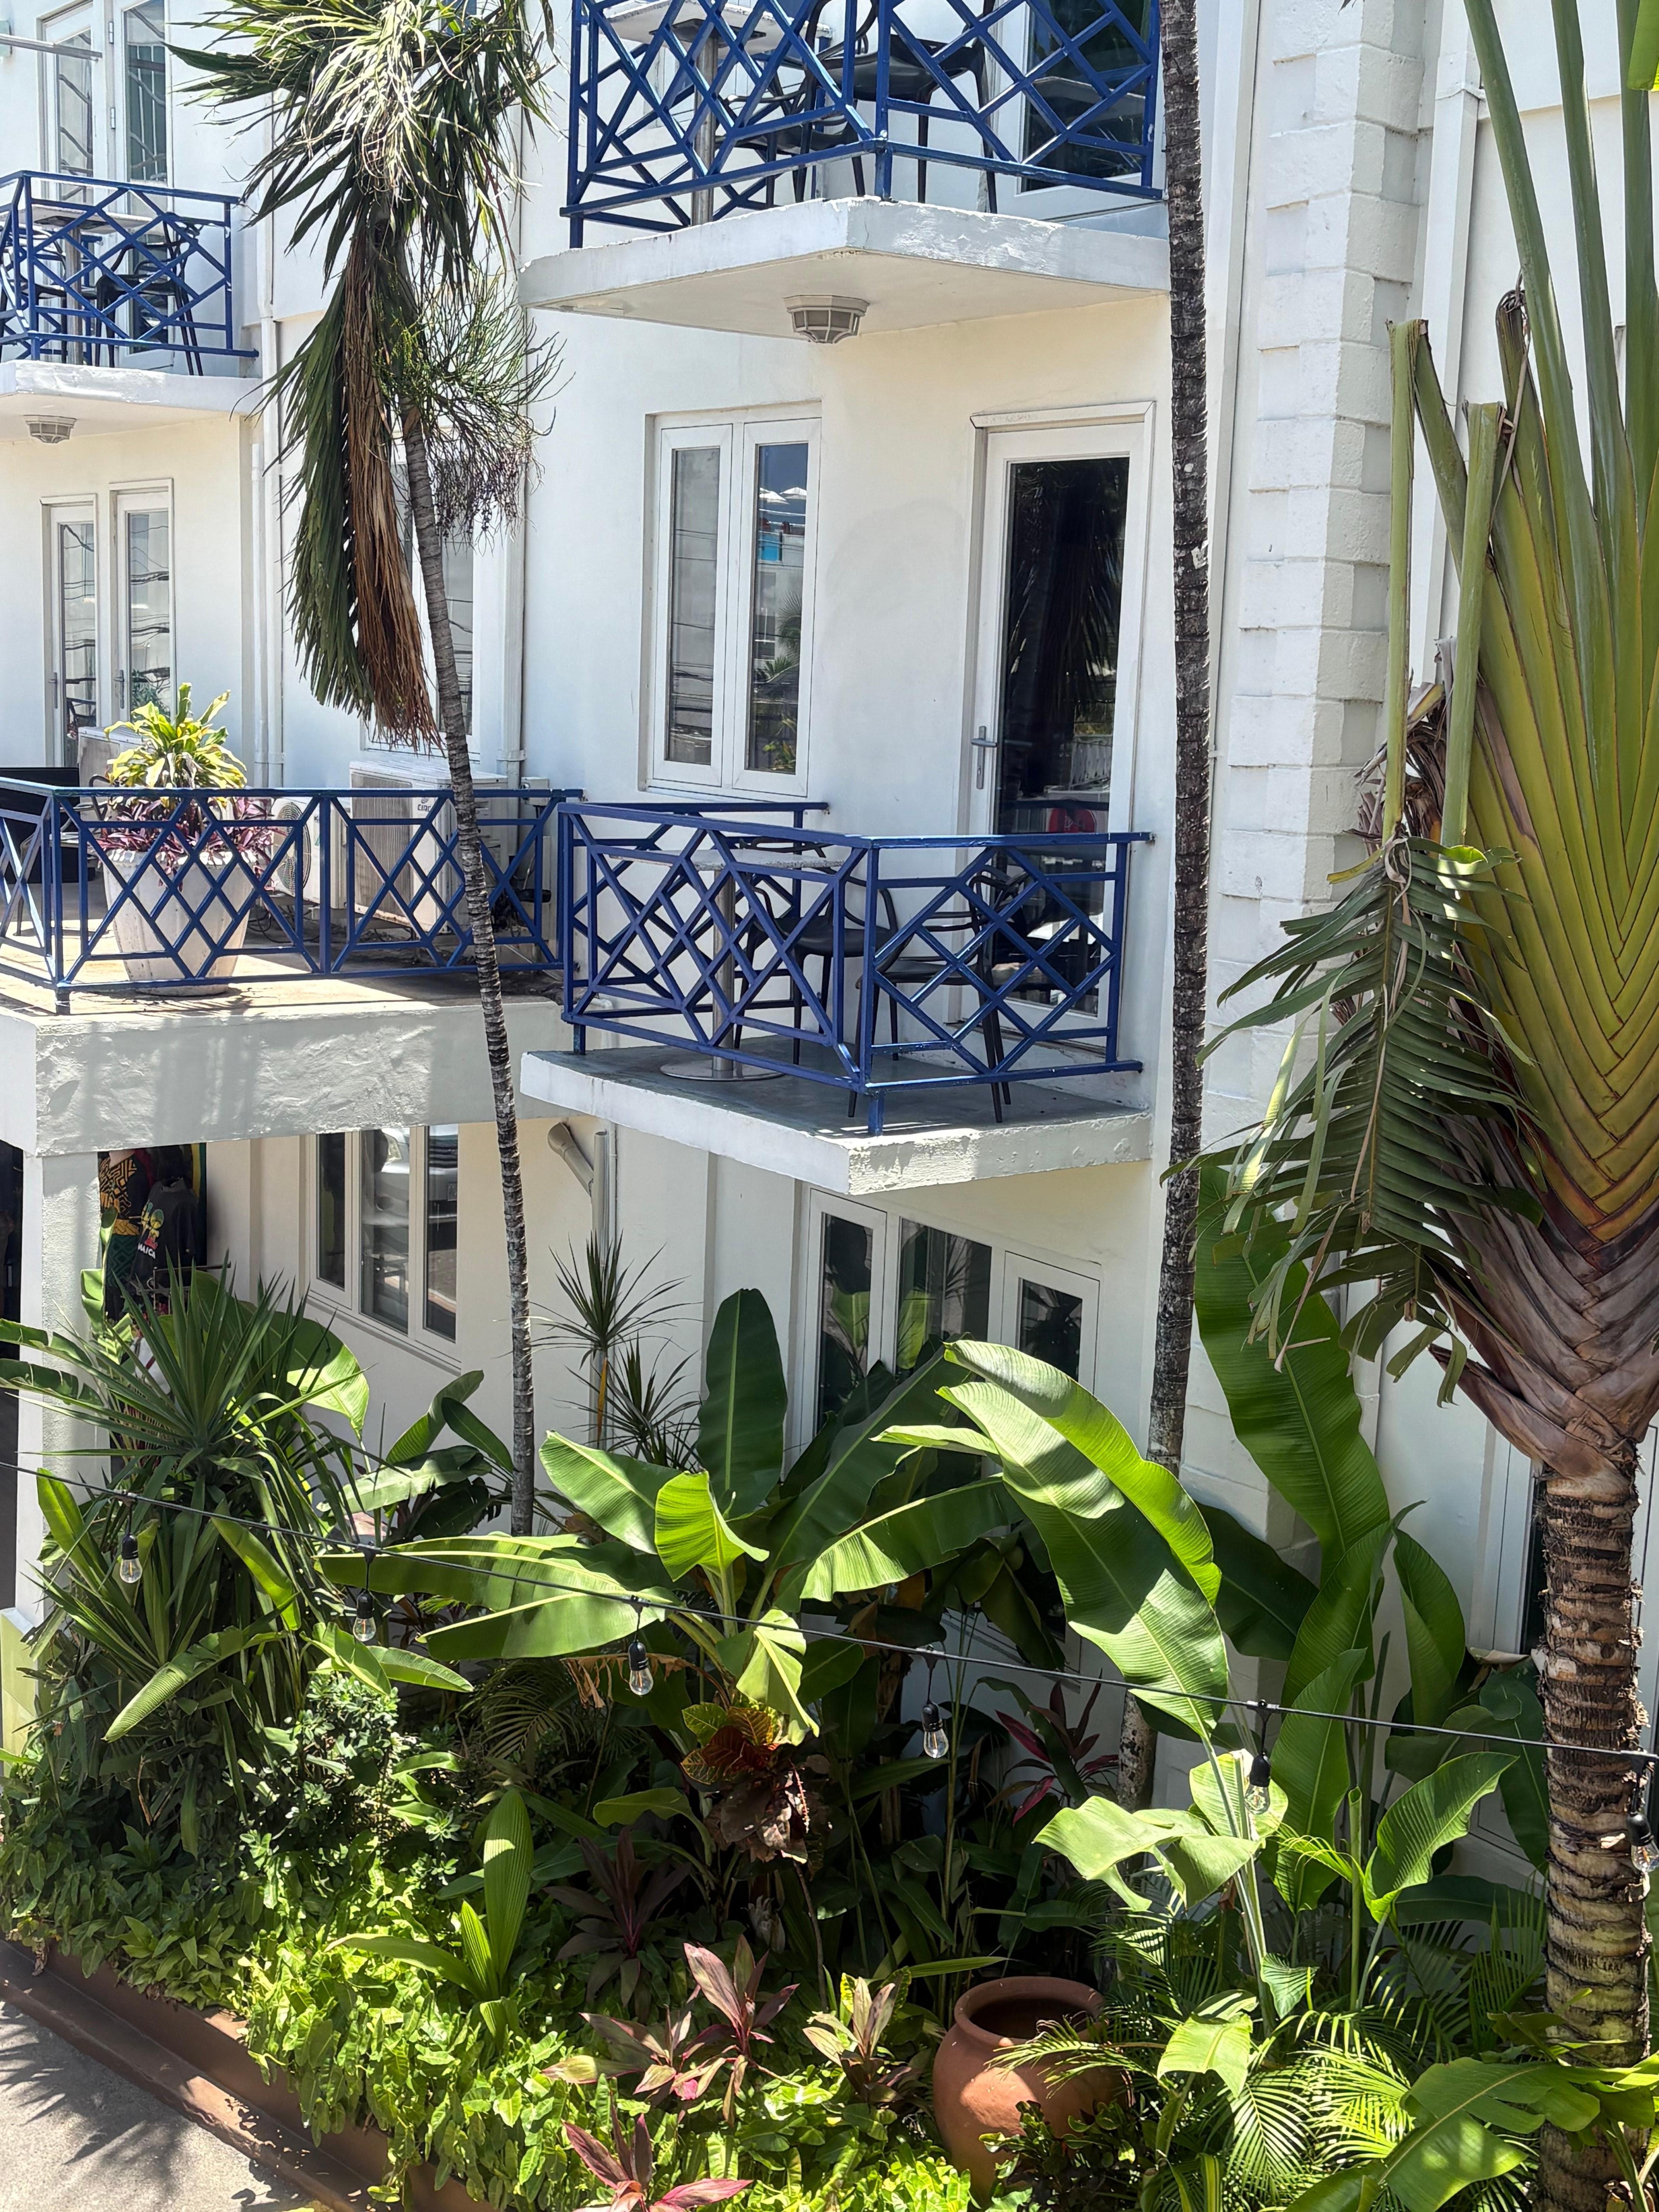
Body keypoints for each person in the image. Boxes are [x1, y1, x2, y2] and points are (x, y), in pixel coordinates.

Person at [130, 1147, 197, 1314]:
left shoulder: (185, 1203)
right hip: (143, 1279)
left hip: (164, 1290)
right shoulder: (157, 1190)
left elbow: (191, 1250)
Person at [99, 1147, 155, 1320]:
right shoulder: (105, 1165)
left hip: (127, 1240)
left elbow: (137, 1214)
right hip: (106, 1237)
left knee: (122, 1288)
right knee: (106, 1287)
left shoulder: (133, 1171)